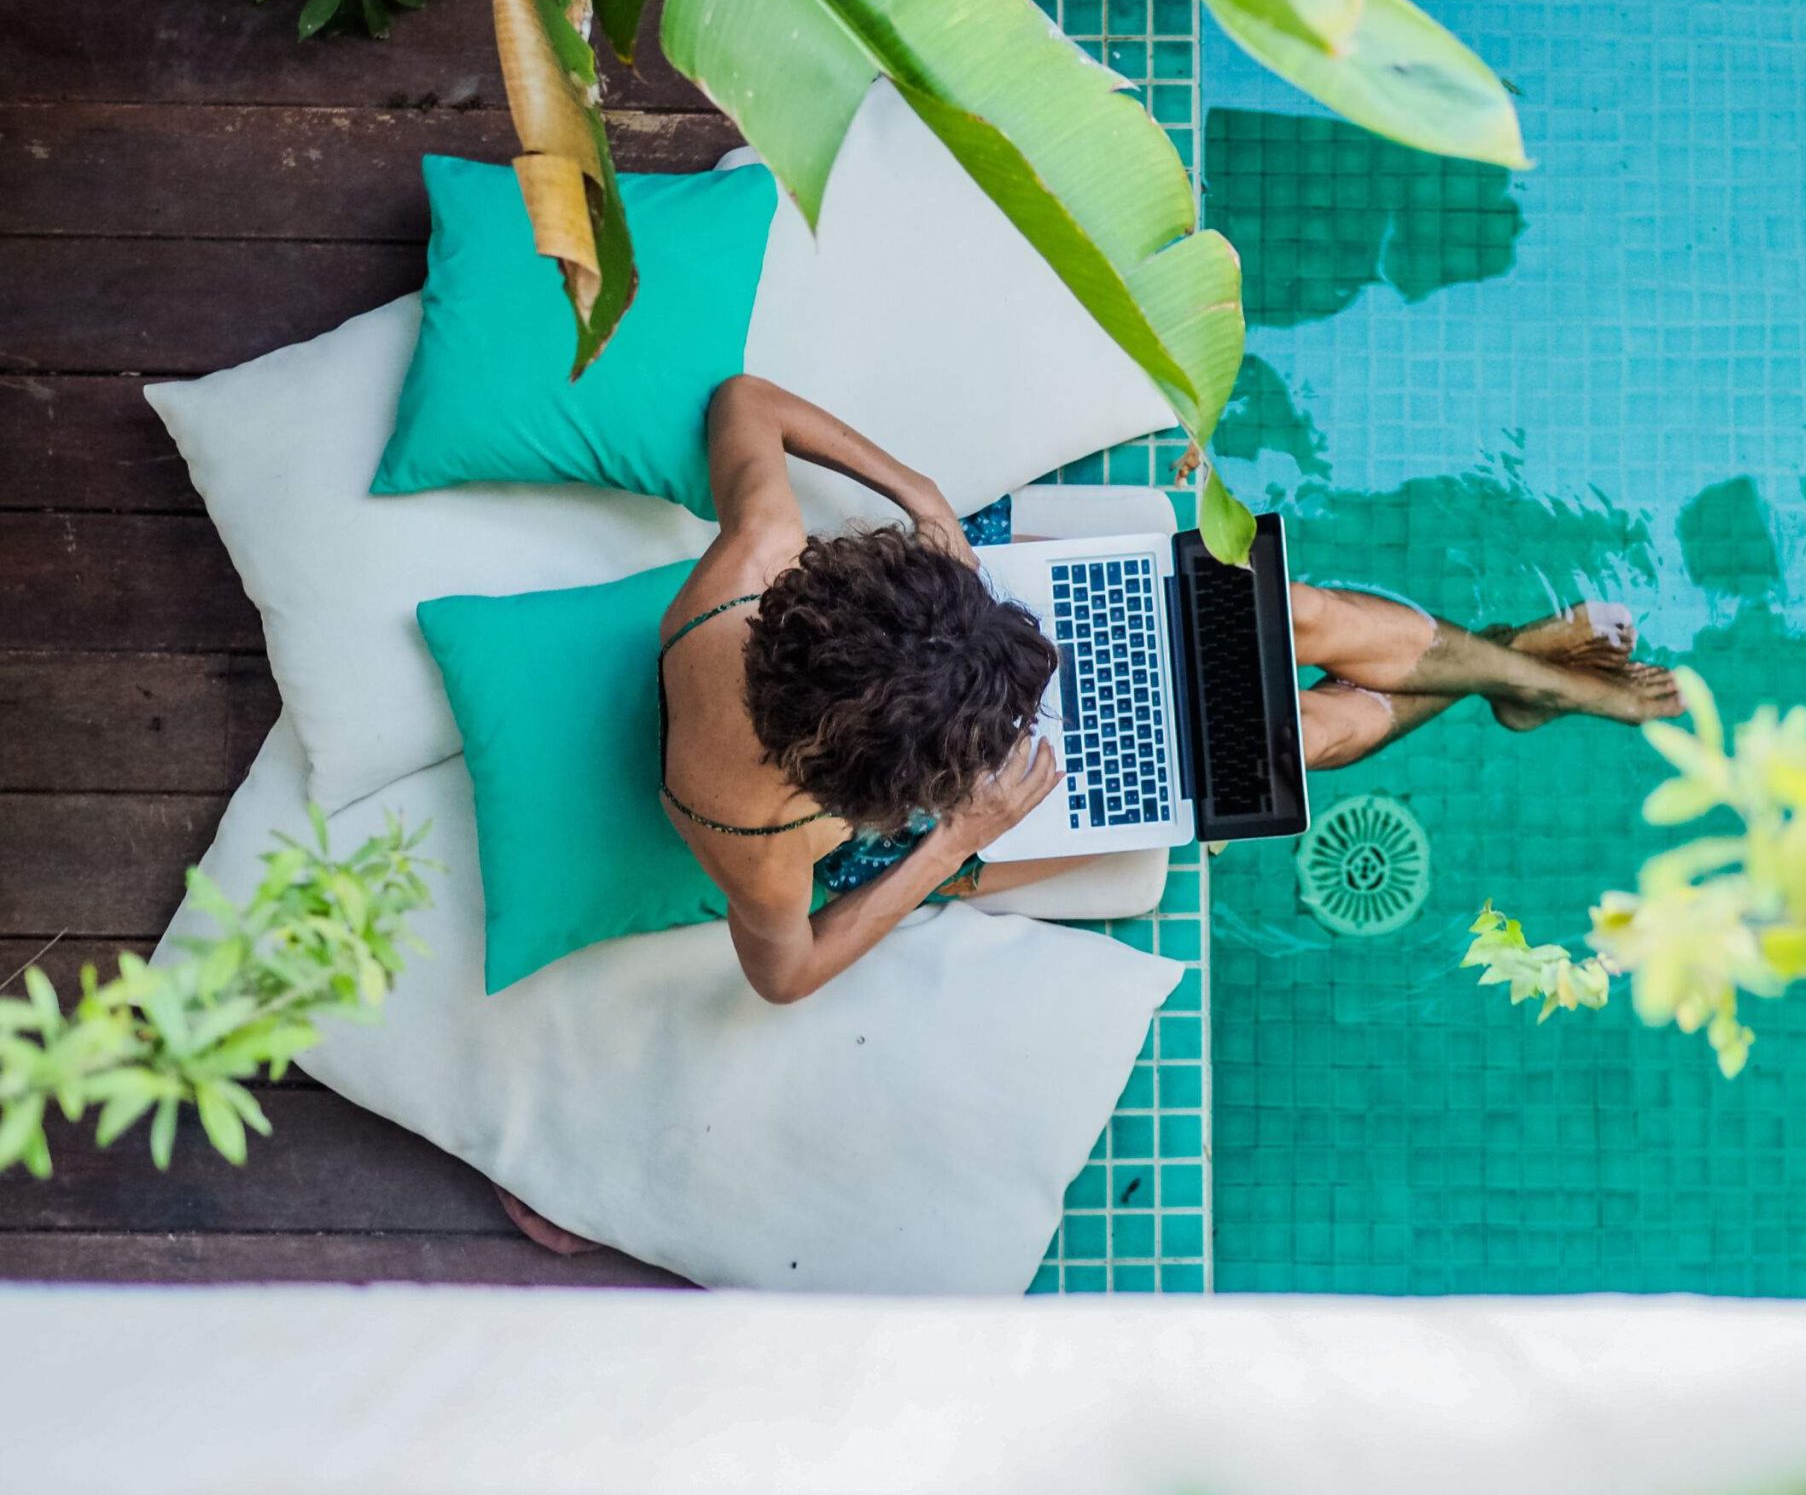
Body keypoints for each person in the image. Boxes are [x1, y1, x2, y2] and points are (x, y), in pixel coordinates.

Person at [502, 372, 1683, 1252]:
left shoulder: (753, 574)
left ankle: (1520, 679)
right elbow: (785, 974)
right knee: (1288, 734)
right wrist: (961, 832)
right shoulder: (752, 841)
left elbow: (743, 404)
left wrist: (915, 499)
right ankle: (1519, 678)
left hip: (931, 669)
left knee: (1290, 619)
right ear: (886, 787)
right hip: (966, 820)